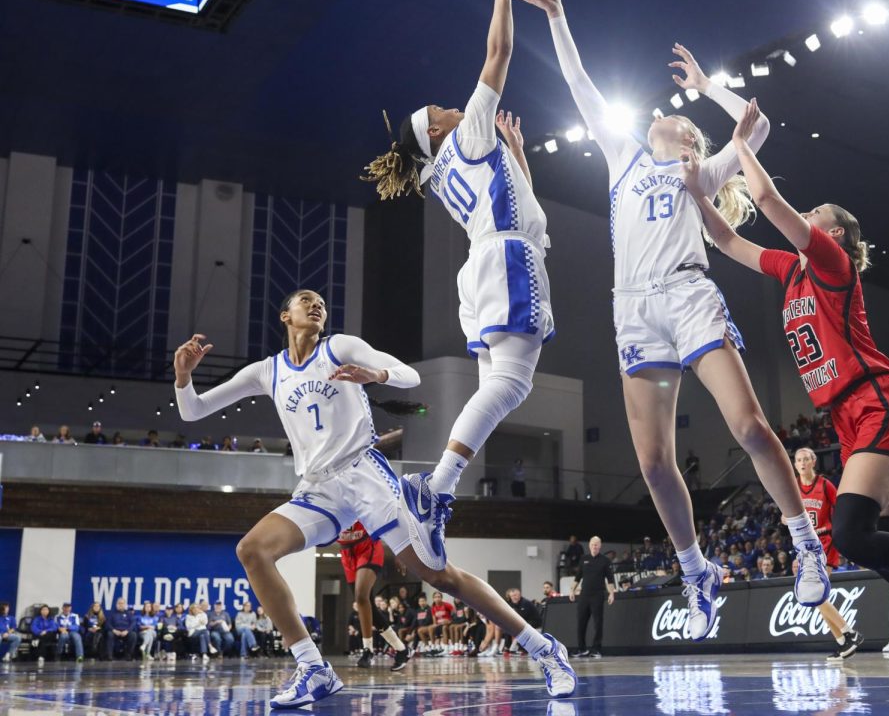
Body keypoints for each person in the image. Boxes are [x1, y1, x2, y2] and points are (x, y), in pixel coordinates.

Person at [521, 0, 828, 647]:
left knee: (748, 425)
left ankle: (805, 540)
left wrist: (707, 86)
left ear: (690, 137)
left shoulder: (705, 169)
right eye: (667, 113)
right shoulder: (624, 158)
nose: (664, 113)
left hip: (689, 295)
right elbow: (580, 86)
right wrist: (559, 17)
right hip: (632, 310)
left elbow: (760, 125)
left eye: (680, 117)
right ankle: (697, 571)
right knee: (655, 463)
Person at [679, 101, 889, 696]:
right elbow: (728, 240)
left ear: (833, 233)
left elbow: (769, 204)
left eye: (816, 214)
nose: (805, 216)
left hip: (879, 403)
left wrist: (742, 144)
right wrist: (693, 192)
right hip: (851, 417)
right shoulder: (790, 273)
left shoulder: (833, 263)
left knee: (853, 535)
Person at [174, 296, 573, 704]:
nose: (316, 307)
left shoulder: (340, 347)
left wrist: (375, 374)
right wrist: (184, 377)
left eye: (321, 304)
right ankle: (313, 667)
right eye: (306, 302)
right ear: (284, 315)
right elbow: (193, 411)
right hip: (318, 489)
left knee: (440, 576)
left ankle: (544, 648)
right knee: (252, 550)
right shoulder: (268, 371)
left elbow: (409, 377)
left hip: (365, 475)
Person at [361, 0, 555, 583]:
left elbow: (521, 197)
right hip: (504, 259)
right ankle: (436, 488)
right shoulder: (466, 131)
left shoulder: (448, 166)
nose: (447, 104)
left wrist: (518, 153)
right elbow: (499, 53)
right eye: (437, 111)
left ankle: (436, 495)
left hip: (485, 262)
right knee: (514, 385)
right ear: (436, 131)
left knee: (492, 389)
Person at [793, 447, 865, 659]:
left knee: (816, 594)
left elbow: (841, 509)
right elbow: (784, 516)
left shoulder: (825, 485)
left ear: (813, 461)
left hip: (825, 544)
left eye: (806, 458)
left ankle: (849, 632)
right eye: (799, 460)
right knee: (816, 597)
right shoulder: (793, 487)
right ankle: (843, 642)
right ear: (795, 465)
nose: (803, 463)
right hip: (804, 548)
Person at [336, 521, 408, 670]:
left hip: (368, 547)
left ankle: (368, 650)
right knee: (368, 608)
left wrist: (399, 552)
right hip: (347, 554)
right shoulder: (326, 500)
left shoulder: (364, 498)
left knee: (361, 597)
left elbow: (390, 518)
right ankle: (401, 649)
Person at [571, 536, 616, 658]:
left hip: (598, 594)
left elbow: (610, 579)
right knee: (581, 622)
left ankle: (596, 649)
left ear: (600, 546)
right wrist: (572, 590)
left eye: (596, 544)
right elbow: (578, 576)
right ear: (589, 545)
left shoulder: (605, 560)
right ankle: (582, 648)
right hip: (584, 594)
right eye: (592, 544)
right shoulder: (584, 559)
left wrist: (611, 593)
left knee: (597, 622)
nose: (594, 546)